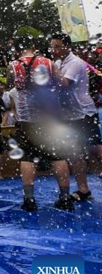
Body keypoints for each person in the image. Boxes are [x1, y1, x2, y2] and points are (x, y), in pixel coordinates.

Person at [8, 37, 74, 212]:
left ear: (16, 49)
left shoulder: (13, 66)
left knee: (28, 157)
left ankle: (29, 199)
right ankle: (65, 197)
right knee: (58, 156)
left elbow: (12, 86)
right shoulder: (48, 62)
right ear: (34, 47)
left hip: (26, 118)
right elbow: (63, 84)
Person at [50, 33, 100, 202]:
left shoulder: (75, 63)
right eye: (52, 46)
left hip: (84, 112)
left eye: (57, 46)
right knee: (74, 153)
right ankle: (83, 189)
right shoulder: (58, 63)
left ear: (67, 46)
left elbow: (65, 84)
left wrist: (52, 69)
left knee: (95, 149)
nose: (53, 50)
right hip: (69, 115)